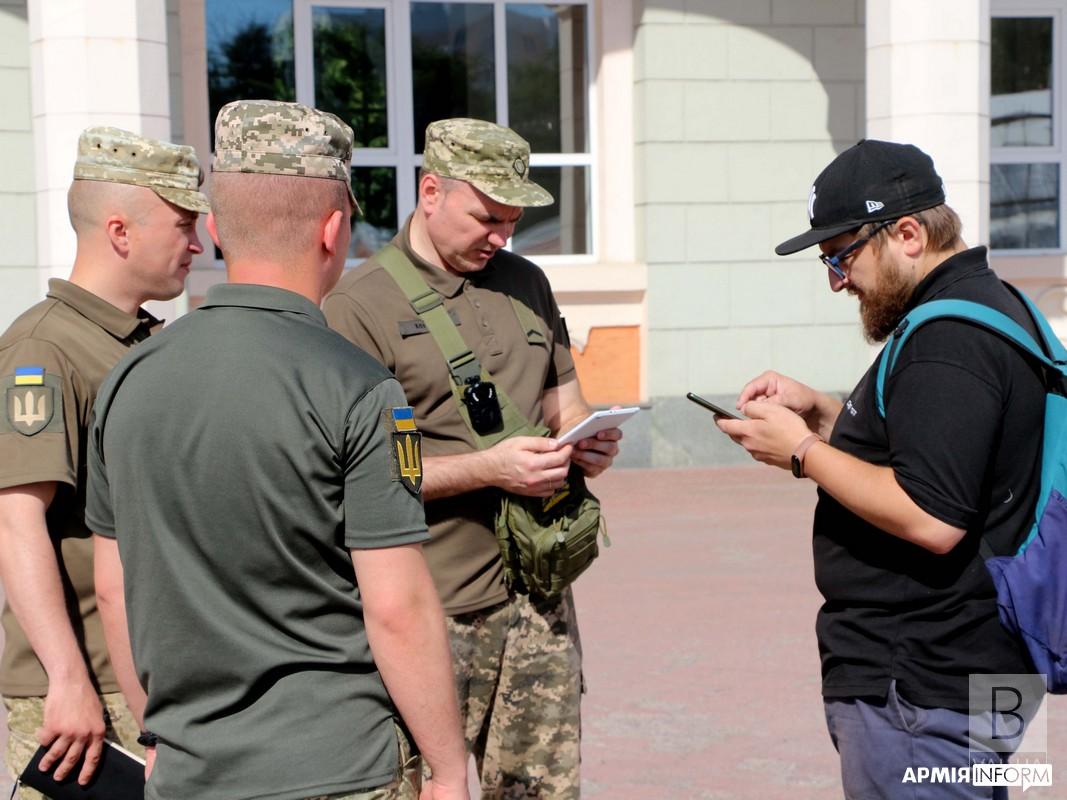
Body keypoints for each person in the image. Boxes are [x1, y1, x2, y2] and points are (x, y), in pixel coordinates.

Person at [86, 100, 468, 800]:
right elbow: (397, 607)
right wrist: (447, 769)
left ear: (214, 230)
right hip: (333, 766)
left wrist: (158, 735)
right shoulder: (361, 389)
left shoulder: (125, 381)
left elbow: (113, 588)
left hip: (190, 766)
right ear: (333, 229)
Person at [718, 139, 1044, 799]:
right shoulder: (999, 306)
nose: (837, 279)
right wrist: (826, 416)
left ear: (906, 233)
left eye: (841, 255)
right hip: (991, 662)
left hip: (921, 682)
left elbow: (930, 516)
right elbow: (948, 457)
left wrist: (803, 454)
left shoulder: (946, 340)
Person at [323, 117, 620, 799]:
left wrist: (586, 440)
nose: (502, 237)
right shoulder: (357, 306)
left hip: (538, 597)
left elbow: (561, 401)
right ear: (431, 192)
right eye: (487, 217)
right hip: (432, 607)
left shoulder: (527, 283)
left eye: (512, 221)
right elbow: (348, 476)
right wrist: (487, 469)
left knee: (540, 790)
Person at [0, 127, 207, 795]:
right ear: (120, 231)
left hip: (155, 674)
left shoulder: (147, 341)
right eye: (182, 226)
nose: (198, 246)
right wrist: (67, 681)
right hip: (89, 690)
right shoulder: (44, 349)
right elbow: (14, 521)